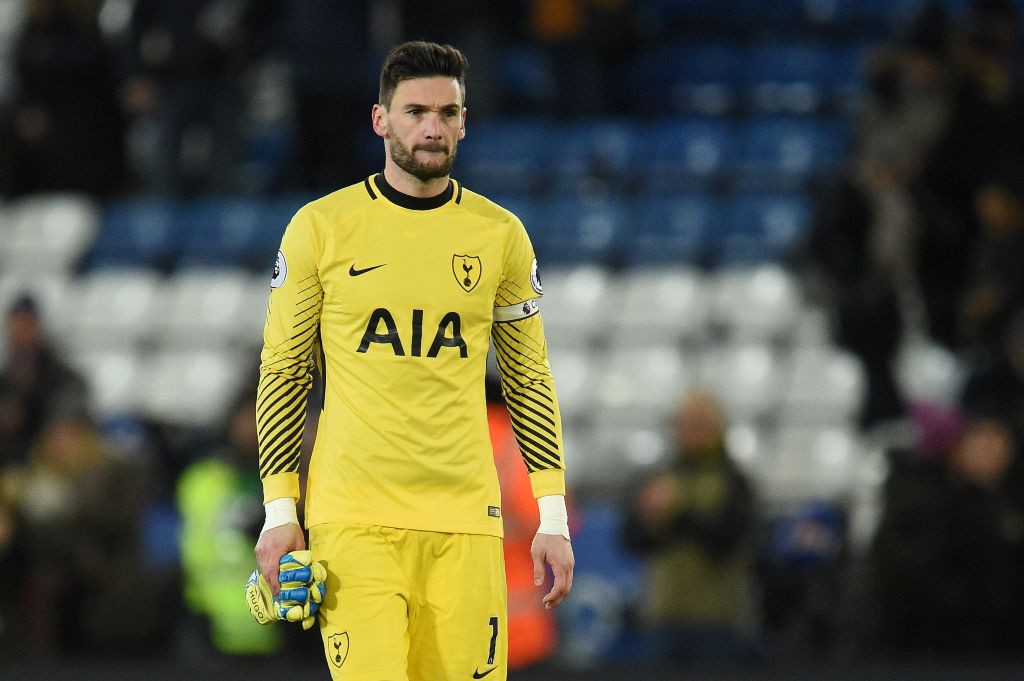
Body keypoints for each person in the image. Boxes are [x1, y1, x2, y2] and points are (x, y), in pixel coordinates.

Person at [251, 41, 574, 681]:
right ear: (381, 120)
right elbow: (285, 373)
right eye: (416, 110)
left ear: (464, 121)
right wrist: (281, 513)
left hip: (466, 522)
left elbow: (528, 378)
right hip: (354, 522)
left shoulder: (500, 236)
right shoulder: (321, 228)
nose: (433, 126)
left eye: (447, 112)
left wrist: (553, 518)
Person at [622, 390, 754, 663]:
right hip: (662, 619)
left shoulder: (734, 482)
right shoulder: (660, 476)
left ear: (718, 428)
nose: (688, 432)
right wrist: (647, 515)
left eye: (698, 424)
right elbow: (632, 540)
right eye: (683, 424)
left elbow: (725, 541)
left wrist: (676, 512)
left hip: (717, 623)